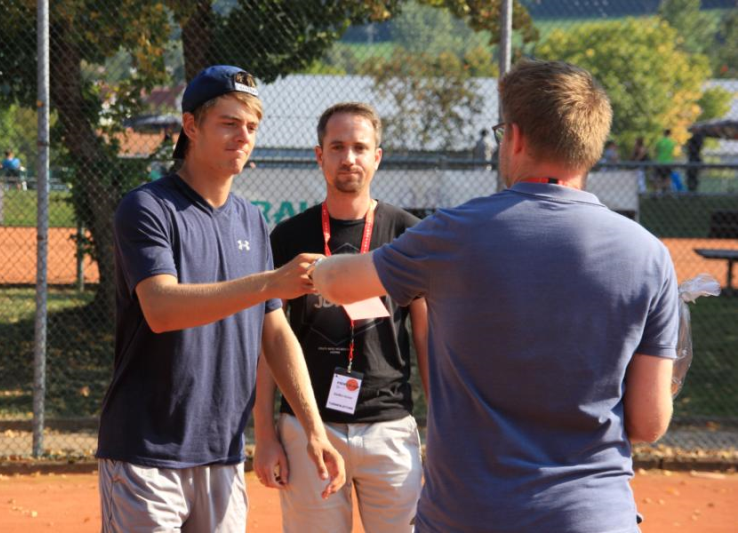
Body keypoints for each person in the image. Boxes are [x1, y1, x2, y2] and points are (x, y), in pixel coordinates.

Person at [310, 59, 678, 532]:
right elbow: (648, 423)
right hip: (594, 515)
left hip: (470, 515)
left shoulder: (453, 232)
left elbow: (340, 283)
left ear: (516, 138)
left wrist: (318, 268)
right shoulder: (649, 255)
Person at [96, 65, 345, 533]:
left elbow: (275, 332)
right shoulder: (147, 207)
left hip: (223, 453)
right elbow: (162, 308)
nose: (243, 136)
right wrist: (270, 282)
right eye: (229, 123)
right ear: (191, 126)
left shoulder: (250, 218)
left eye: (251, 126)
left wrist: (314, 429)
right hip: (146, 451)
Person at [253, 102, 428, 533]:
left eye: (360, 147)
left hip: (389, 427)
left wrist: (441, 424)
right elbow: (269, 339)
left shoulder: (408, 234)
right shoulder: (289, 236)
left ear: (377, 157)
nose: (349, 158)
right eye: (337, 147)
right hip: (308, 427)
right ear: (320, 156)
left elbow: (428, 338)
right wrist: (266, 434)